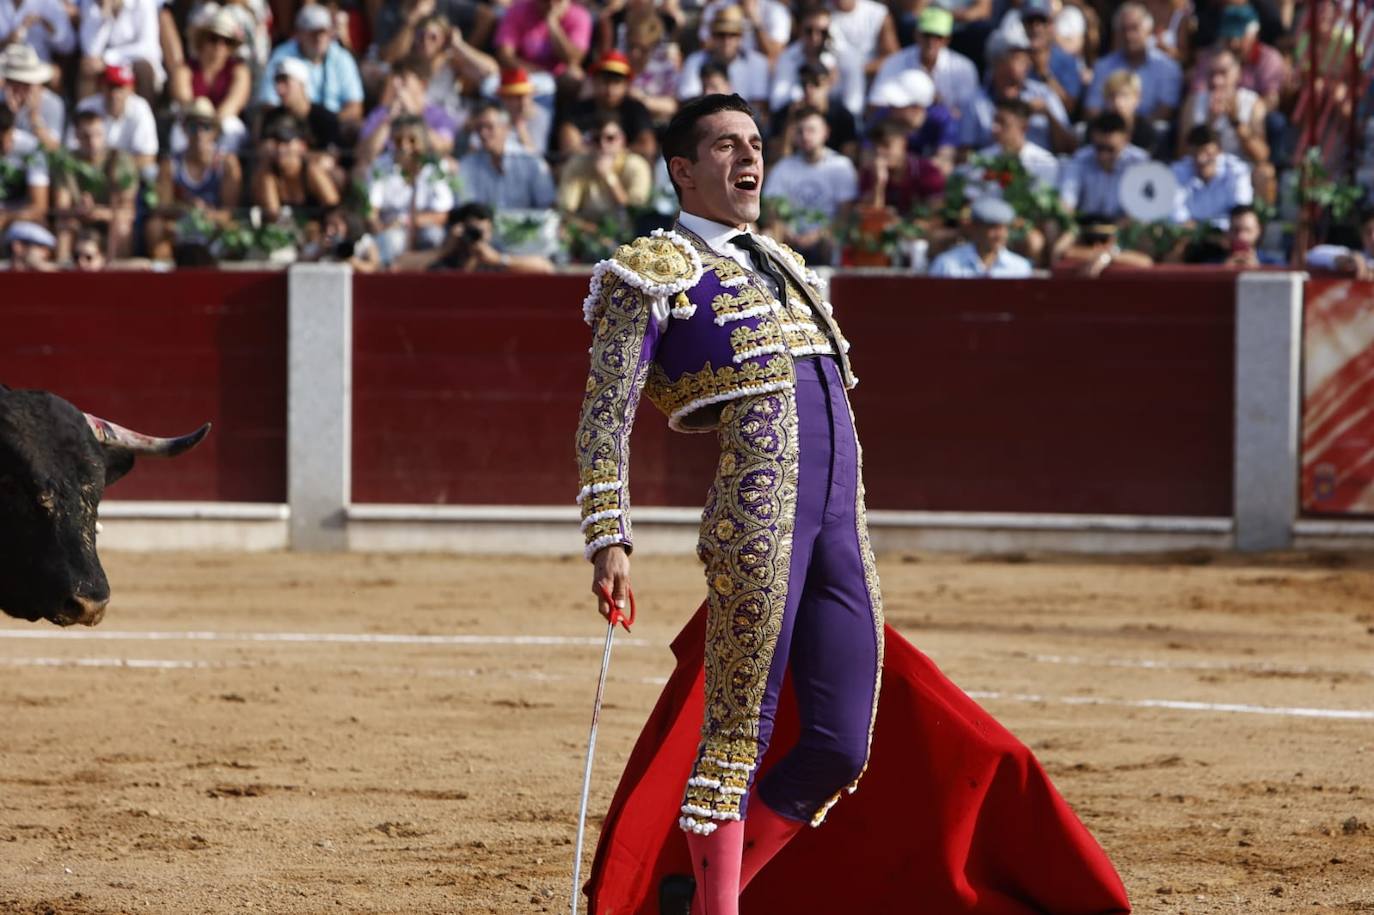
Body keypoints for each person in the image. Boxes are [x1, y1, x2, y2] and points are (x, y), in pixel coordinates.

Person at [577, 88, 1129, 915]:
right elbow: (604, 412)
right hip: (758, 522)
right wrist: (608, 537)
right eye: (726, 145)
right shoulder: (653, 269)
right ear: (683, 171)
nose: (749, 156)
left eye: (755, 142)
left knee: (838, 743)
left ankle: (701, 898)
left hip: (841, 526)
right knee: (734, 738)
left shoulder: (788, 266)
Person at [760, 104, 857, 265]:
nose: (805, 136)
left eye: (811, 130)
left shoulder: (841, 166)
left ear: (826, 132)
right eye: (800, 131)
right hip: (789, 238)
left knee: (834, 240)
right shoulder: (783, 167)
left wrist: (817, 235)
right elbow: (771, 210)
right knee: (767, 236)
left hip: (826, 239)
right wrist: (785, 231)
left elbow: (845, 216)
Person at [147, 98, 242, 259]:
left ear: (214, 131)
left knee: (234, 231)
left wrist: (207, 214)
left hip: (213, 226)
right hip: (181, 225)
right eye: (193, 127)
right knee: (154, 227)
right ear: (184, 130)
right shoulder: (170, 164)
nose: (199, 133)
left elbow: (230, 211)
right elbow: (162, 206)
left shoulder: (227, 164)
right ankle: (164, 276)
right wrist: (187, 209)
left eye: (205, 127)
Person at [958, 22, 1075, 154]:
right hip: (992, 171)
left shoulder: (1044, 94)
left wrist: (1049, 115)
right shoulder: (975, 102)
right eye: (1019, 57)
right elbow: (964, 154)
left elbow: (1070, 149)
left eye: (1027, 57)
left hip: (1043, 170)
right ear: (998, 62)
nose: (1028, 62)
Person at [1176, 46, 1274, 203]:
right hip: (1201, 170)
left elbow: (1262, 155)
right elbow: (1182, 153)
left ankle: (1257, 222)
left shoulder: (1253, 103)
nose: (1216, 81)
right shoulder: (1193, 102)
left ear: (1237, 73)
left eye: (1223, 73)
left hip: (1239, 173)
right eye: (1211, 74)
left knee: (1265, 173)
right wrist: (1209, 123)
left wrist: (1236, 122)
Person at [257, 4, 365, 129]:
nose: (319, 38)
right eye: (313, 33)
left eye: (323, 32)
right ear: (299, 33)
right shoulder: (282, 56)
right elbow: (268, 103)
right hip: (293, 126)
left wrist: (325, 123)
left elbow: (355, 107)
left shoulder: (342, 57)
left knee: (356, 127)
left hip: (334, 125)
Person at [50, 107, 136, 259]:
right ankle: (62, 275)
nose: (93, 142)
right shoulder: (67, 162)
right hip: (78, 221)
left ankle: (119, 276)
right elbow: (61, 207)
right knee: (64, 227)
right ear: (76, 135)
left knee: (121, 227)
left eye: (98, 135)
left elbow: (127, 211)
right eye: (86, 136)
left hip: (109, 220)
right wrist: (78, 210)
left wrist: (99, 213)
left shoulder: (120, 160)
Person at [1083, 2, 1183, 123]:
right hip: (1109, 130)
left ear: (1148, 30)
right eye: (1124, 29)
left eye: (1135, 28)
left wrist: (1134, 130)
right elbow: (1092, 109)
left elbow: (1165, 110)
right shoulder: (1103, 66)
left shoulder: (1167, 67)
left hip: (1148, 133)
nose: (1129, 35)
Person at [871, 7, 979, 117]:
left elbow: (966, 116)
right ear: (916, 34)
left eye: (938, 36)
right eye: (927, 35)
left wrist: (940, 107)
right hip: (904, 125)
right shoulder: (895, 61)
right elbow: (876, 104)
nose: (931, 42)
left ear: (947, 40)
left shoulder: (964, 68)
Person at [169, 8, 250, 151]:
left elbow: (233, 104)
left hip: (221, 123)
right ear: (202, 41)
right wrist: (202, 124)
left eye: (226, 41)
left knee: (232, 128)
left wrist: (211, 127)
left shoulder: (239, 71)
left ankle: (223, 169)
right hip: (193, 121)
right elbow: (186, 102)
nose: (219, 46)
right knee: (178, 132)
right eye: (213, 38)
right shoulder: (185, 70)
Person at [554, 49, 655, 158]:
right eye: (605, 81)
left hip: (623, 170)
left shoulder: (636, 110)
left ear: (627, 85)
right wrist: (601, 156)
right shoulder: (576, 110)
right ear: (594, 81)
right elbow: (569, 149)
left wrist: (614, 154)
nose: (610, 89)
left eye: (616, 82)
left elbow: (648, 148)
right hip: (585, 169)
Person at [768, 5, 863, 119]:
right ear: (800, 30)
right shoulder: (788, 57)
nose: (815, 37)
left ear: (830, 31)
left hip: (838, 119)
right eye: (809, 31)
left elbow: (854, 105)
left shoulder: (848, 56)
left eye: (823, 32)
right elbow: (778, 102)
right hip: (801, 117)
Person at [458, 99, 556, 209]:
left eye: (489, 127)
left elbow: (547, 205)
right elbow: (464, 206)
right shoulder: (467, 165)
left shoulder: (531, 161)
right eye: (479, 127)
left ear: (506, 127)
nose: (483, 133)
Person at [557, 111, 652, 224]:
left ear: (622, 140)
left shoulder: (636, 166)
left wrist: (609, 177)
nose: (603, 145)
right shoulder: (577, 164)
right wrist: (591, 232)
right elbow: (566, 211)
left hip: (628, 233)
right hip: (587, 234)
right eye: (597, 139)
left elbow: (635, 212)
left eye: (610, 138)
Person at [407, 200, 555, 272]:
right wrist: (443, 250)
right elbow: (397, 266)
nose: (475, 236)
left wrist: (499, 259)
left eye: (482, 231)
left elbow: (546, 268)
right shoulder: (446, 257)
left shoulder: (494, 257)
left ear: (490, 232)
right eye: (471, 229)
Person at [1189, 4, 1285, 111]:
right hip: (1213, 114)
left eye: (1240, 36)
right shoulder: (1210, 57)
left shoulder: (1269, 59)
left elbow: (1271, 99)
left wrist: (1245, 109)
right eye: (1228, 37)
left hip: (1253, 120)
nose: (1234, 43)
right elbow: (1197, 91)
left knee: (1276, 122)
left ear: (1254, 34)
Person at [1058, 112, 1149, 220]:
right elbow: (1067, 200)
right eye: (1099, 148)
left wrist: (1115, 234)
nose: (1103, 156)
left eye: (1110, 149)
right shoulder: (1080, 158)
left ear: (1126, 139)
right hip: (1083, 227)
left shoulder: (1140, 162)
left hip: (1123, 229)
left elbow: (1141, 209)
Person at [251, 116, 340, 225]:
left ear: (301, 146)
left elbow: (333, 207)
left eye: (286, 143)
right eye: (277, 143)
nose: (280, 149)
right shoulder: (268, 173)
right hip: (286, 233)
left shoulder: (311, 171)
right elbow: (273, 214)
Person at [71, 63, 158, 173]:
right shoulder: (86, 107)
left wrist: (115, 172)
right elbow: (72, 149)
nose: (115, 94)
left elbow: (147, 157)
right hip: (90, 170)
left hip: (127, 172)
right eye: (111, 86)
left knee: (150, 172)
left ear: (131, 89)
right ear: (102, 87)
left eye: (120, 87)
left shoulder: (140, 108)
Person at [677, 5, 769, 108]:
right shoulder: (695, 60)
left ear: (741, 37)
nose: (726, 40)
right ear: (712, 36)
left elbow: (759, 105)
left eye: (732, 34)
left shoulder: (757, 62)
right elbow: (688, 99)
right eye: (721, 34)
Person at [78, 0, 164, 101]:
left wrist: (107, 58)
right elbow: (91, 51)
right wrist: (105, 17)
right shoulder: (90, 3)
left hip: (135, 64)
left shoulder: (143, 3)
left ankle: (147, 113)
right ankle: (87, 114)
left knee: (143, 68)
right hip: (106, 68)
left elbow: (148, 47)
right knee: (88, 67)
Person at [493, 0, 593, 85]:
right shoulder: (517, 10)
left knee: (575, 77)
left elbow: (573, 59)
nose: (551, 5)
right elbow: (505, 55)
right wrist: (539, 74)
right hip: (525, 75)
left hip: (560, 78)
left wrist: (552, 22)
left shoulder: (580, 15)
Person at [928, 195, 1033, 277]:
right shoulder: (946, 265)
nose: (1000, 235)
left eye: (1004, 228)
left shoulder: (1019, 268)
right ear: (975, 228)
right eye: (993, 228)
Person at [1170, 124, 1253, 227]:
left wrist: (1214, 231)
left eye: (1206, 152)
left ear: (1219, 151)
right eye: (1195, 153)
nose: (1201, 159)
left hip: (1227, 235)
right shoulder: (1177, 172)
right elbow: (1175, 211)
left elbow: (1241, 210)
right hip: (1189, 236)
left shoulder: (1237, 171)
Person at [858, 116, 945, 212]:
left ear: (903, 143)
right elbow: (869, 219)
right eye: (876, 147)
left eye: (886, 145)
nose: (879, 151)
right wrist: (878, 186)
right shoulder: (869, 174)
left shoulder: (927, 171)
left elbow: (936, 214)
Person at [980, 95, 1058, 188]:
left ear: (1024, 127)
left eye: (1003, 122)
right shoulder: (983, 158)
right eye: (995, 121)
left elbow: (1045, 200)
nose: (994, 128)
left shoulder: (1045, 162)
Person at [1, 43, 66, 150]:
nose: (19, 89)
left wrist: (34, 118)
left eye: (26, 84)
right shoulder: (2, 97)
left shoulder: (53, 103)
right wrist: (8, 115)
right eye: (14, 82)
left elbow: (53, 149)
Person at [1053, 214, 1155, 275]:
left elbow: (1147, 262)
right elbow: (1064, 253)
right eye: (1091, 241)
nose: (1097, 245)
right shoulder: (1071, 253)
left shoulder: (1116, 253)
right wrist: (1103, 256)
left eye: (1103, 240)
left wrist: (1106, 257)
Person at [0, 103, 46, 231]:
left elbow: (39, 207)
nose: (5, 147)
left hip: (20, 223)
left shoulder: (32, 148)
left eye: (7, 138)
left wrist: (7, 218)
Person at [1100, 68, 1164, 159]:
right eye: (1112, 96)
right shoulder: (1095, 128)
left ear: (1137, 98)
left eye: (1124, 95)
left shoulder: (1147, 132)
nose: (1117, 102)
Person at [0, 0, 75, 66]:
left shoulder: (49, 3)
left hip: (38, 69)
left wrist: (47, 25)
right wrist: (7, 41)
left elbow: (68, 47)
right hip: (3, 67)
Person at [496, 67, 552, 155]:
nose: (523, 101)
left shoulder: (542, 116)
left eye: (526, 95)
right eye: (516, 97)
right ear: (504, 99)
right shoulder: (494, 117)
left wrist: (519, 125)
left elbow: (537, 156)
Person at [1306, 208, 1374, 279]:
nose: (1373, 237)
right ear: (1361, 234)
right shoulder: (1356, 257)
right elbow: (1312, 255)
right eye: (1368, 232)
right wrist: (1344, 260)